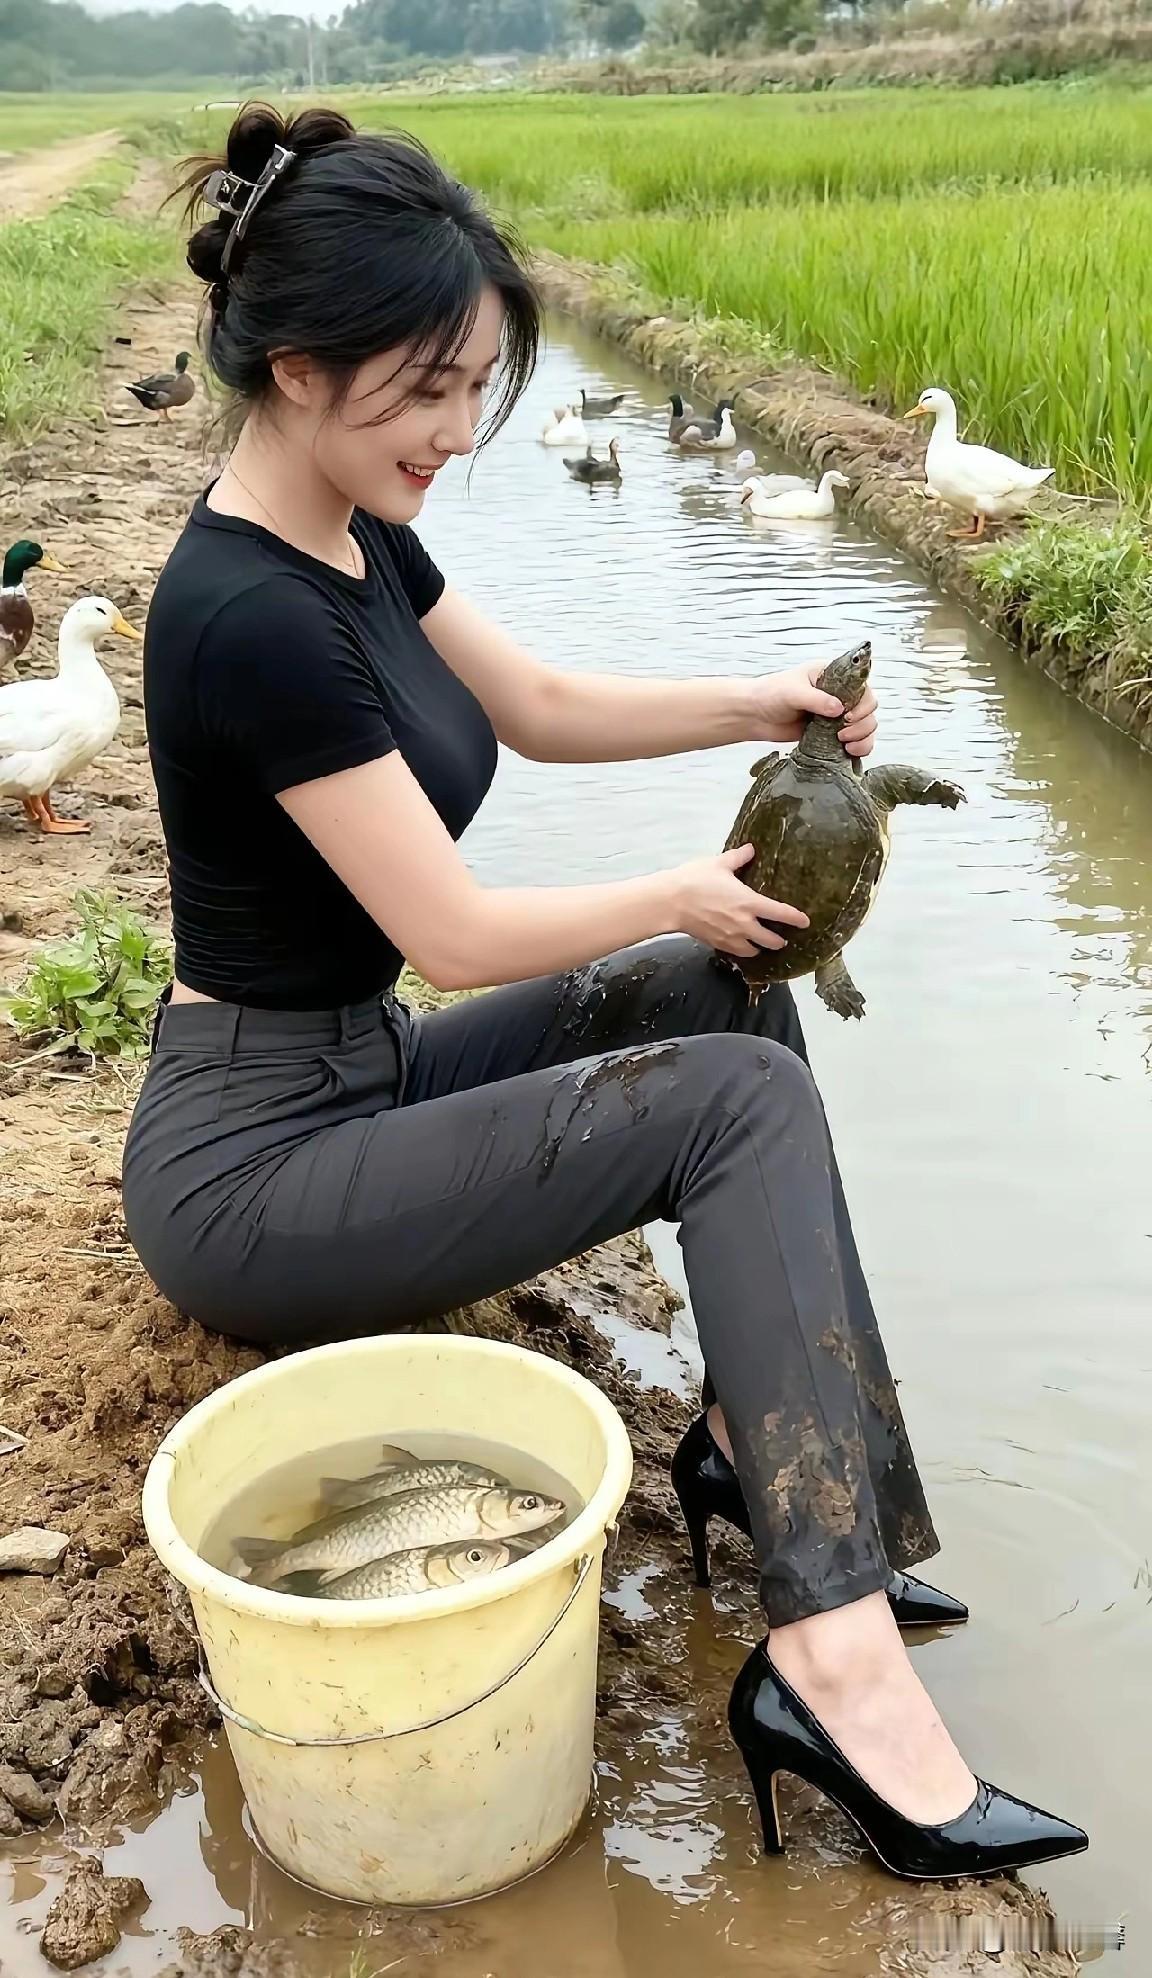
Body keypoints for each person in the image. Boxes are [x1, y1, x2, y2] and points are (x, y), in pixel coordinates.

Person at [122, 103, 1085, 1882]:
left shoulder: (351, 532)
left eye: (477, 384)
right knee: (731, 1078)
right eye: (429, 389)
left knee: (728, 1007)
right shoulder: (246, 615)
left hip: (361, 1077)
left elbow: (542, 705)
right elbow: (456, 935)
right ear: (300, 366)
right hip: (251, 1173)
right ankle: (832, 1666)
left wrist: (761, 699)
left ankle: (759, 1458)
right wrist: (679, 886)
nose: (459, 429)